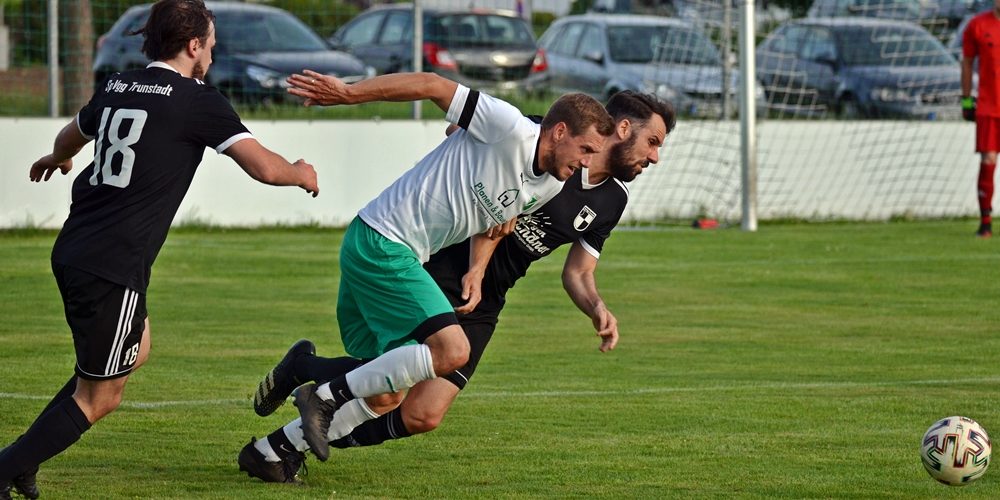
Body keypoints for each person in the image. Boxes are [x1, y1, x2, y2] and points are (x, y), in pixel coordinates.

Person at [239, 91, 674, 483]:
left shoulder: (611, 200)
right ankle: (290, 427)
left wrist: (596, 307)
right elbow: (466, 130)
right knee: (387, 387)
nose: (654, 157)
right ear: (621, 128)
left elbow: (578, 272)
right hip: (440, 271)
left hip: (487, 299)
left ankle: (292, 411)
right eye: (652, 142)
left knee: (422, 414)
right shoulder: (542, 136)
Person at [0, 1, 319, 496]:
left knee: (133, 351)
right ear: (193, 45)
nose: (213, 52)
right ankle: (10, 465)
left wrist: (56, 157)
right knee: (101, 395)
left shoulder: (119, 84)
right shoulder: (196, 99)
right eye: (210, 43)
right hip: (113, 264)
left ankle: (24, 458)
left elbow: (74, 132)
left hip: (77, 249)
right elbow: (265, 168)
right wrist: (302, 173)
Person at [962, 0, 1000, 238]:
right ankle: (985, 222)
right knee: (988, 160)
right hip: (989, 106)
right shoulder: (976, 25)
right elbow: (966, 63)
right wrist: (966, 100)